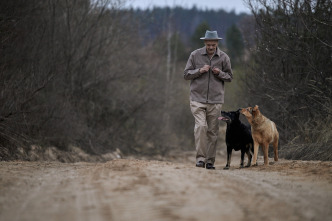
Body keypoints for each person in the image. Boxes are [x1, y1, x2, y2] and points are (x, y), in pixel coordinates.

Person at [184, 30, 233, 169]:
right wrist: (200, 71)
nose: (211, 47)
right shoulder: (195, 55)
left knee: (213, 131)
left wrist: (220, 73)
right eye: (208, 44)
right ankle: (200, 159)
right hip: (197, 99)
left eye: (213, 44)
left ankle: (210, 161)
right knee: (201, 127)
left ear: (217, 43)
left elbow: (229, 77)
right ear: (204, 43)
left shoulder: (224, 57)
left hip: (216, 100)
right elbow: (186, 74)